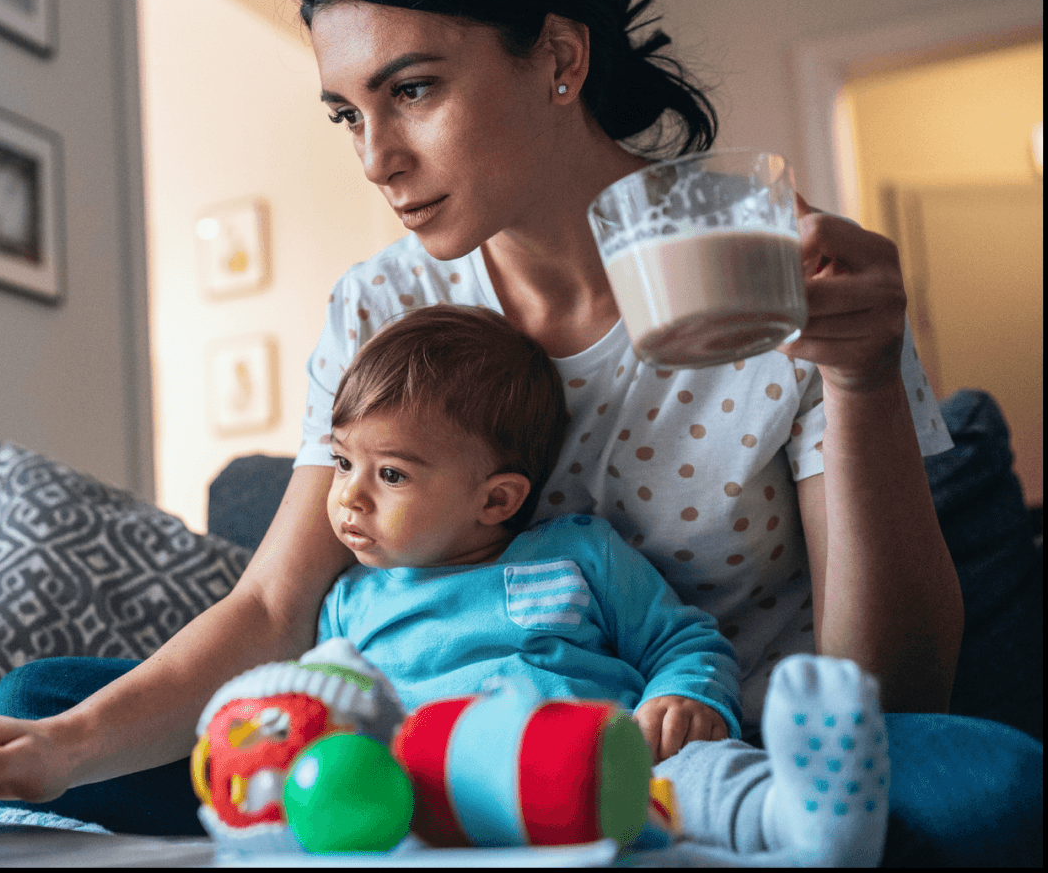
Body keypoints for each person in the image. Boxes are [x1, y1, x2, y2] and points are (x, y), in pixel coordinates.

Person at [0, 0, 1042, 864]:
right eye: (347, 113)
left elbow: (893, 689)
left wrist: (860, 378)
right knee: (40, 707)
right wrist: (60, 748)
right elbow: (275, 607)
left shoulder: (781, 266)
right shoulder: (380, 305)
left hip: (710, 762)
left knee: (985, 780)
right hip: (426, 744)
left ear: (559, 59)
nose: (378, 158)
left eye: (414, 89)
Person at [307, 302, 884, 863]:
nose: (350, 495)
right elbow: (330, 713)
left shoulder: (578, 554)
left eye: (391, 474)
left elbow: (682, 642)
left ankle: (804, 823)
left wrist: (685, 696)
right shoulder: (349, 605)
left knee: (699, 775)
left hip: (617, 773)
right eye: (342, 462)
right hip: (455, 801)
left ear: (497, 499)